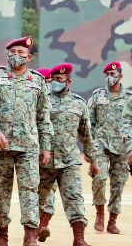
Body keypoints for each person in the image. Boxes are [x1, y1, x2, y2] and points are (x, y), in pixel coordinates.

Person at [0, 36, 53, 246]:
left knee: (29, 191)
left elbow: (43, 116)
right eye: (12, 52)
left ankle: (30, 236)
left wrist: (46, 147)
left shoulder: (38, 81)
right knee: (0, 193)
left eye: (21, 52)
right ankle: (2, 236)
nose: (16, 55)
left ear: (29, 57)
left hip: (28, 146)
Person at [37, 63, 98, 246]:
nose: (55, 82)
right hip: (44, 160)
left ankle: (79, 239)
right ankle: (35, 231)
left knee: (74, 198)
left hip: (69, 160)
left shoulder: (79, 103)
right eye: (53, 79)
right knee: (37, 198)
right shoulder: (42, 100)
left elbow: (86, 134)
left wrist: (93, 160)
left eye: (59, 79)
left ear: (68, 81)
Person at [87, 60, 131, 234]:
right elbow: (89, 122)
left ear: (120, 76)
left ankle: (112, 220)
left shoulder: (129, 97)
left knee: (118, 185)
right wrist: (89, 148)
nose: (109, 77)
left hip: (122, 147)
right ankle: (99, 213)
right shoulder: (97, 96)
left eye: (112, 74)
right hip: (101, 144)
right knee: (99, 178)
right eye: (106, 75)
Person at [35, 68, 58, 243]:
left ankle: (42, 225)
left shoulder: (57, 101)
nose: (48, 85)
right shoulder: (31, 99)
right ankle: (33, 224)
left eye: (49, 81)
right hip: (31, 150)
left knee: (51, 189)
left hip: (51, 152)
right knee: (34, 190)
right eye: (45, 81)